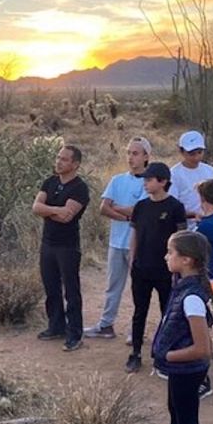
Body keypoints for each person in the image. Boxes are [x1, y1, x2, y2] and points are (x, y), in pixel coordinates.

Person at [139, 231, 213, 424]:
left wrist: (169, 356)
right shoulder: (183, 284)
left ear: (187, 259)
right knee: (175, 407)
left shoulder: (191, 297)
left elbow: (203, 348)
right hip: (181, 369)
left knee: (188, 421)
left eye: (171, 253)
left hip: (187, 368)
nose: (166, 256)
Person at [84, 137, 151, 340]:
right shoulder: (118, 180)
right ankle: (106, 324)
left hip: (138, 244)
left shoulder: (150, 182)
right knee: (113, 285)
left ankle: (135, 330)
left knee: (139, 288)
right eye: (129, 153)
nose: (131, 157)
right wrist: (129, 216)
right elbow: (104, 207)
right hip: (116, 242)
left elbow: (140, 211)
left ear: (146, 156)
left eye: (135, 153)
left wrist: (124, 211)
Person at [126, 162, 186, 373]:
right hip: (141, 269)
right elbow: (134, 234)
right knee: (139, 312)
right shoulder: (141, 206)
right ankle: (135, 353)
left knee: (167, 313)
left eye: (149, 179)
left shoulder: (175, 207)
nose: (145, 183)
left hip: (165, 271)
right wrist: (132, 260)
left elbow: (180, 239)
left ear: (163, 182)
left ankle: (164, 354)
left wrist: (177, 270)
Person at [32, 145, 91, 352]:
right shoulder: (50, 182)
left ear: (75, 164)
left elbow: (67, 217)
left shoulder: (79, 188)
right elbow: (35, 207)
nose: (58, 162)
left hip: (67, 246)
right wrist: (56, 210)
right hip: (47, 243)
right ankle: (56, 326)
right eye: (58, 157)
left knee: (71, 290)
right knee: (51, 287)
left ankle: (75, 333)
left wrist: (47, 210)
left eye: (64, 159)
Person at [193, 178, 213, 399]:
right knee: (206, 322)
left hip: (203, 279)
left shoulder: (206, 226)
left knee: (201, 328)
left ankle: (203, 379)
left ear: (203, 199)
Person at [170, 130, 213, 229]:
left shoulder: (209, 170)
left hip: (208, 224)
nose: (196, 157)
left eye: (199, 152)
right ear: (182, 152)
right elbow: (172, 206)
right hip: (184, 227)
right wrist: (192, 214)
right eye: (191, 154)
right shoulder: (174, 174)